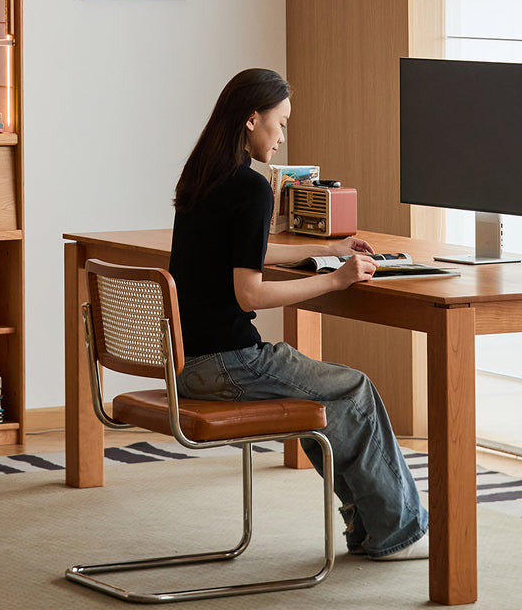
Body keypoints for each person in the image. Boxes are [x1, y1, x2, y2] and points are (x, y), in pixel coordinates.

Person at [168, 67, 429, 560]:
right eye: (280, 123)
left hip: (188, 365)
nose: (283, 137)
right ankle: (397, 533)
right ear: (251, 119)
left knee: (327, 400)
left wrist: (331, 249)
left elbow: (246, 256)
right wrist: (336, 279)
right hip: (230, 363)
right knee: (353, 389)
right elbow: (248, 293)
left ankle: (371, 528)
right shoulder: (250, 187)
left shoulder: (202, 178)